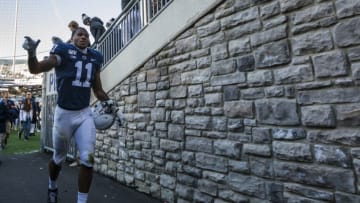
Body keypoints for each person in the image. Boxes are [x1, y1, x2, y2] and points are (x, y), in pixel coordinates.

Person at [22, 27, 111, 203]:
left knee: (88, 159)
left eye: (86, 35)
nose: (84, 37)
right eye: (79, 34)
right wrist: (32, 53)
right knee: (59, 158)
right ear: (71, 39)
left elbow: (98, 90)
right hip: (64, 115)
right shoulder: (63, 51)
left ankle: (81, 201)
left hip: (84, 114)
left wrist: (112, 105)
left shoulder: (95, 57)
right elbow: (36, 69)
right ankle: (52, 186)